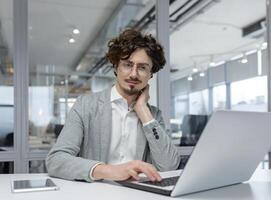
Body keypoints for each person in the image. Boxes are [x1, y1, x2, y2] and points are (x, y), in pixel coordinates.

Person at [46, 28, 180, 182]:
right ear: (116, 67)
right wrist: (109, 170)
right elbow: (56, 160)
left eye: (142, 67)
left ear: (151, 74)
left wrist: (143, 111)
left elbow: (169, 166)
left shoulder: (153, 115)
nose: (134, 74)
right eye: (127, 65)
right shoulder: (86, 105)